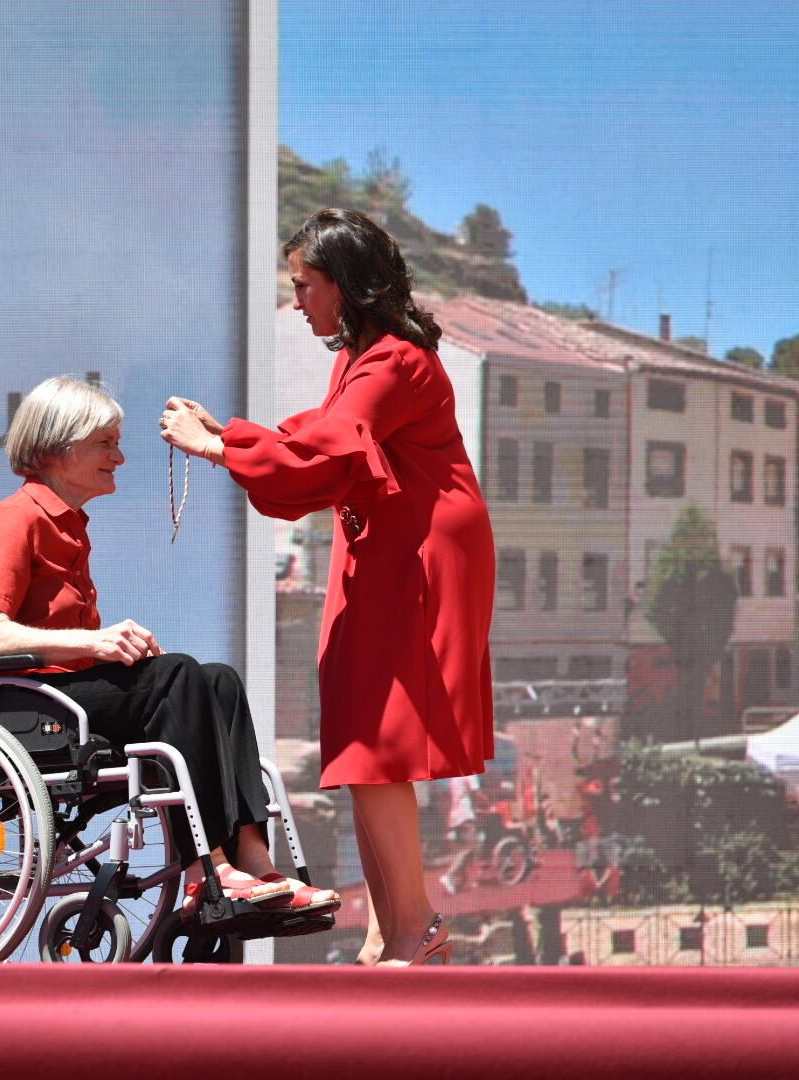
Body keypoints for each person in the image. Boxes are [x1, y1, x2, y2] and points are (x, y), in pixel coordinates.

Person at [161, 208, 495, 966]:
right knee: (361, 737)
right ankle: (390, 929)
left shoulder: (395, 361)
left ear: (344, 286)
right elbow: (321, 439)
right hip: (385, 547)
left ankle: (415, 927)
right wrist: (234, 437)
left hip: (415, 553)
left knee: (378, 738)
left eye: (306, 285)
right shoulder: (364, 361)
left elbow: (328, 447)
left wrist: (217, 447)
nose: (299, 300)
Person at [0, 375, 339, 921]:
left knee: (217, 679)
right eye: (105, 443)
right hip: (11, 705)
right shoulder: (13, 520)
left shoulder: (69, 524)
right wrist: (95, 640)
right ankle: (208, 870)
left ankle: (255, 860)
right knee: (175, 675)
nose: (121, 457)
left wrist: (104, 646)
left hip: (53, 699)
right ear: (59, 448)